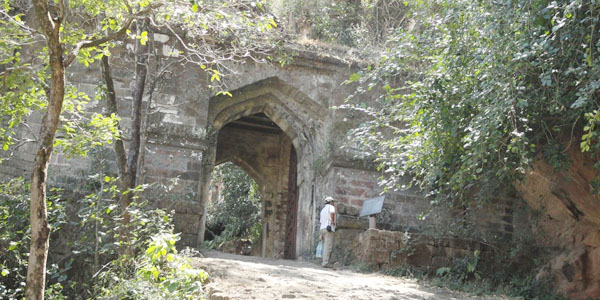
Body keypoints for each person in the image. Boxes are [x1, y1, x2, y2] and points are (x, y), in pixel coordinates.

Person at [319, 196, 336, 268]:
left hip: (322, 228)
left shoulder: (322, 210)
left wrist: (320, 234)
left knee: (324, 246)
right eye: (333, 202)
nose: (334, 203)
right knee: (328, 246)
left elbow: (321, 221)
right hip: (328, 228)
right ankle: (325, 263)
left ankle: (324, 261)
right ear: (331, 202)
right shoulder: (331, 207)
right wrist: (332, 221)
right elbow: (332, 213)